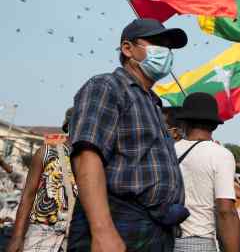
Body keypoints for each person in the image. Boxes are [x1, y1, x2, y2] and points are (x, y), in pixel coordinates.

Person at [67, 18, 188, 251]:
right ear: (127, 49)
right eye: (156, 43)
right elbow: (87, 157)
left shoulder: (152, 103)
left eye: (168, 47)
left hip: (155, 230)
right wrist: (102, 231)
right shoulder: (106, 86)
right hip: (119, 223)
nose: (165, 52)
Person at [173, 92, 240, 252]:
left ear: (184, 123)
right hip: (199, 242)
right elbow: (225, 211)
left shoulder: (168, 150)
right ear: (215, 125)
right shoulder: (221, 155)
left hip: (164, 240)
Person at [6, 108, 77, 252]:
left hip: (78, 236)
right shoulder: (46, 152)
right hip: (42, 235)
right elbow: (28, 196)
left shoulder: (95, 157)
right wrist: (17, 237)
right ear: (68, 125)